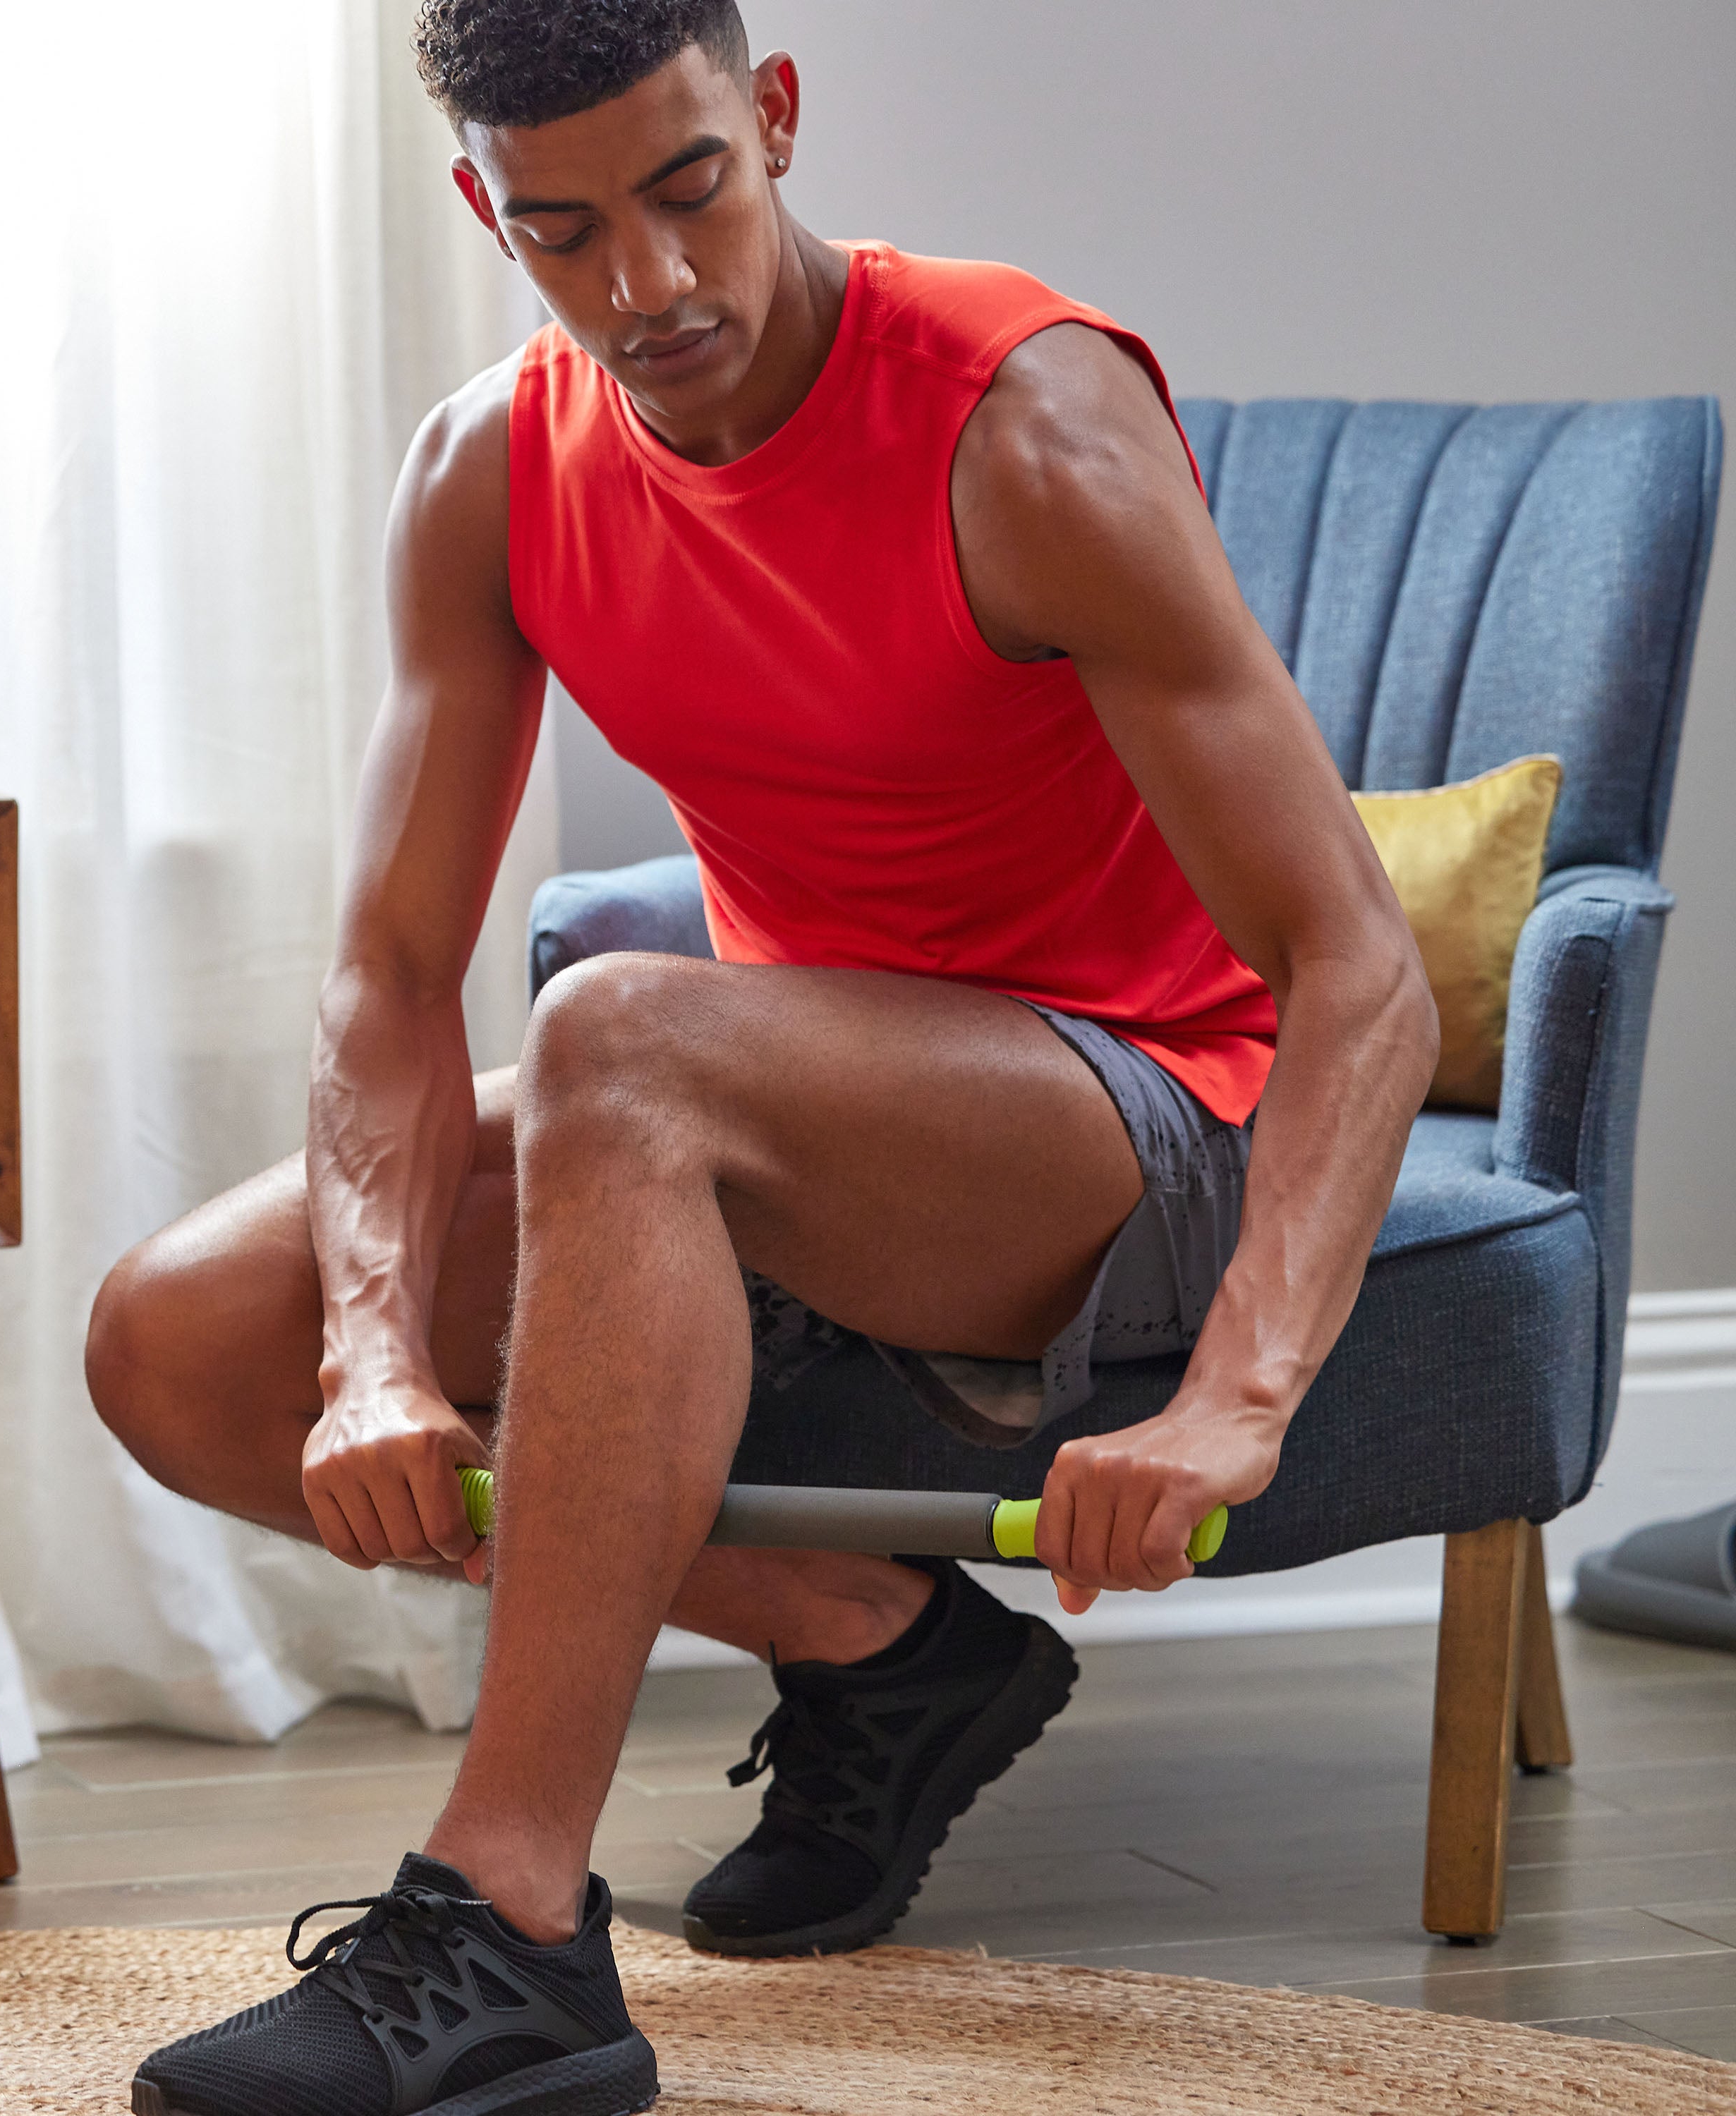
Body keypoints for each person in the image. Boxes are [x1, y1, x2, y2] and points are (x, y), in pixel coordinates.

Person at [91, 4, 1438, 2110]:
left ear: (777, 117)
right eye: (560, 231)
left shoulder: (1025, 426)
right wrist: (367, 1349)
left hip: (1139, 1126)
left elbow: (1362, 965)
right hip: (785, 1142)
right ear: (485, 212)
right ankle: (875, 1644)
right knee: (178, 1343)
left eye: (687, 189)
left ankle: (508, 1923)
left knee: (623, 1032)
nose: (644, 283)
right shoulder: (492, 470)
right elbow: (389, 976)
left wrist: (1236, 1400)